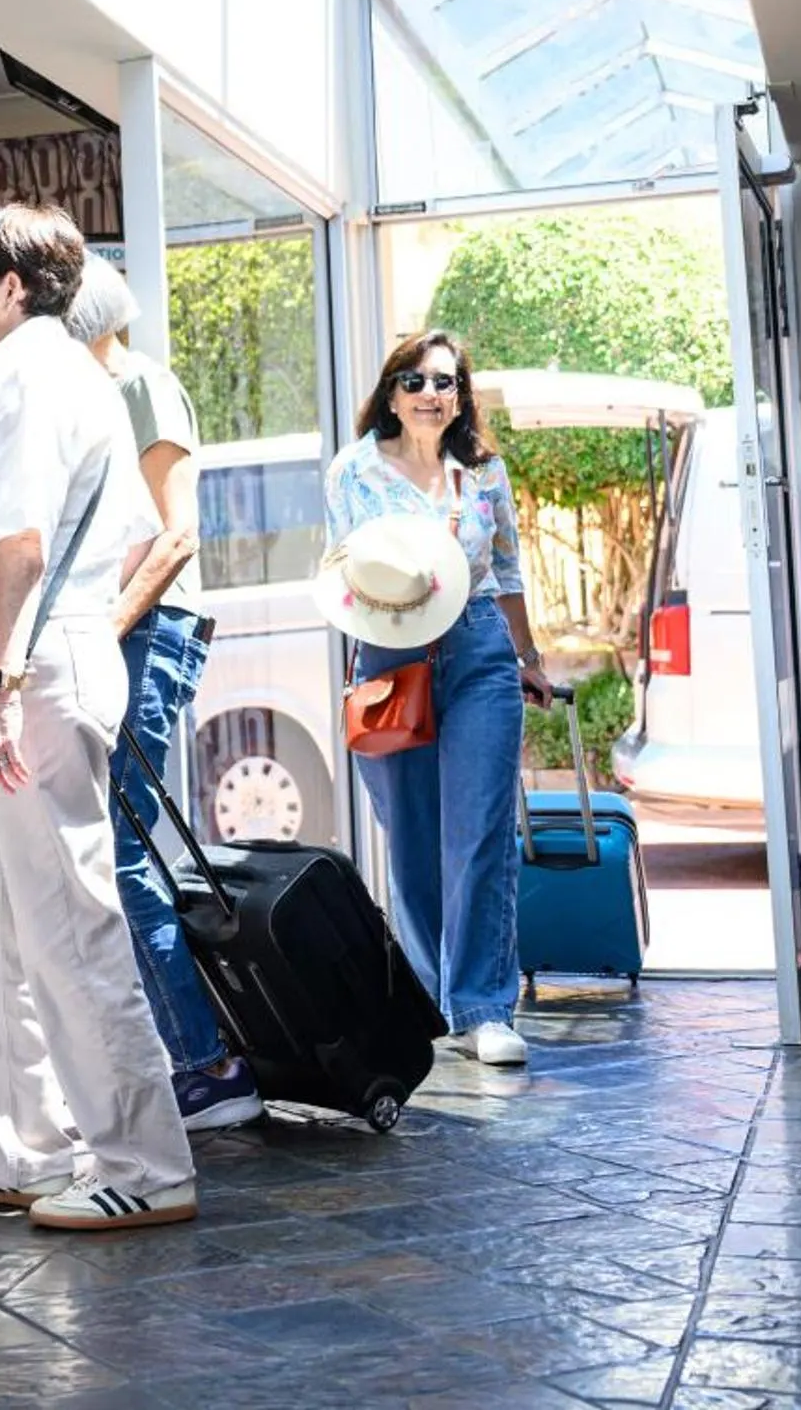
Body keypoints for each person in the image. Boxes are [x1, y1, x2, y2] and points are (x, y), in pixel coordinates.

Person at [0, 204, 199, 1231]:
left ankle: (145, 1161)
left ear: (9, 285)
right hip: (40, 666)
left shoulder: (32, 384)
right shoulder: (64, 379)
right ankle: (24, 1143)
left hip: (31, 674)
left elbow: (21, 549)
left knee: (70, 928)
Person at [60, 254, 261, 1132]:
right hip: (117, 632)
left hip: (149, 631)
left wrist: (100, 632)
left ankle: (205, 1061)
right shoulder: (83, 397)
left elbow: (176, 536)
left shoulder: (142, 384)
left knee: (123, 842)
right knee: (112, 846)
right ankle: (171, 1056)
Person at [322, 329, 552, 1068]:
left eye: (445, 382)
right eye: (416, 381)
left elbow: (509, 569)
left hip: (480, 646)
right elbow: (338, 569)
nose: (431, 394)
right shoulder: (354, 469)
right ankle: (431, 1000)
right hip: (390, 648)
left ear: (461, 396)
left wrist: (529, 656)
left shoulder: (482, 472)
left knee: (479, 831)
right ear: (392, 392)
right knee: (414, 840)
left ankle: (485, 1004)